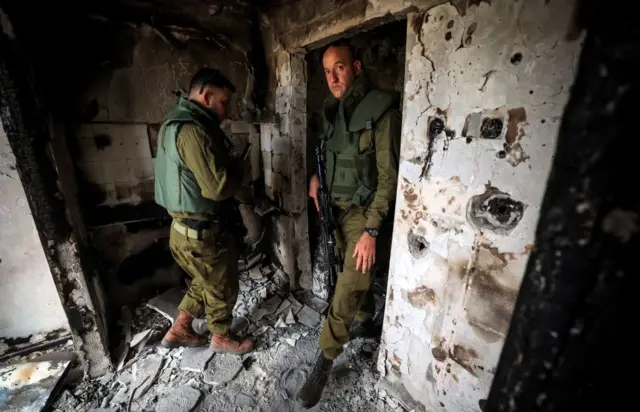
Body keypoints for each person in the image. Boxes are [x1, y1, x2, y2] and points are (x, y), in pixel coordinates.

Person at [297, 39, 401, 408]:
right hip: (333, 210)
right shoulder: (332, 112)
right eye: (326, 71)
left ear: (356, 67)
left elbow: (389, 178)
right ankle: (369, 320)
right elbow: (329, 158)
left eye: (339, 67)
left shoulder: (381, 108)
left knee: (348, 283)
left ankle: (324, 360)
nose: (332, 77)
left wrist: (372, 230)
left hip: (362, 213)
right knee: (350, 275)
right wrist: (314, 180)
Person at [154, 67, 254, 355]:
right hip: (201, 233)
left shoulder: (172, 123)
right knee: (222, 284)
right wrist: (240, 169)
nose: (226, 111)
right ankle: (221, 337)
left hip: (182, 230)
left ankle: (180, 329)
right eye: (223, 102)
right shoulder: (193, 130)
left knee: (204, 279)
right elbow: (218, 188)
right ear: (206, 95)